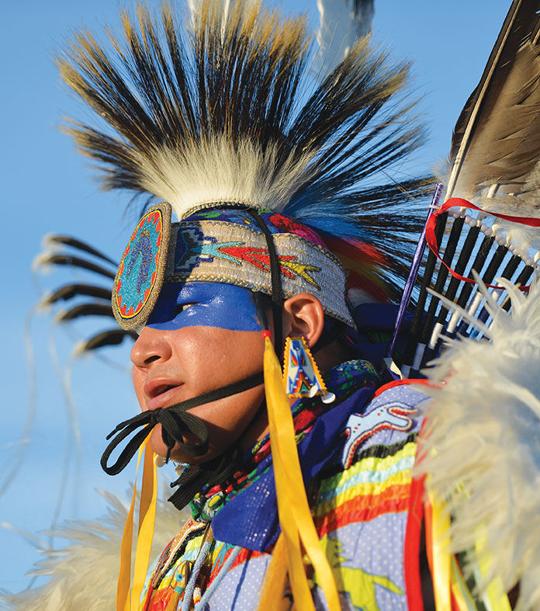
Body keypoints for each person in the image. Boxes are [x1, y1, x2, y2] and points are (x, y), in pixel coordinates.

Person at [7, 1, 539, 610]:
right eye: (138, 330)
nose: (144, 351)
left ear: (299, 325)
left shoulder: (426, 461)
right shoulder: (178, 556)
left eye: (186, 308)